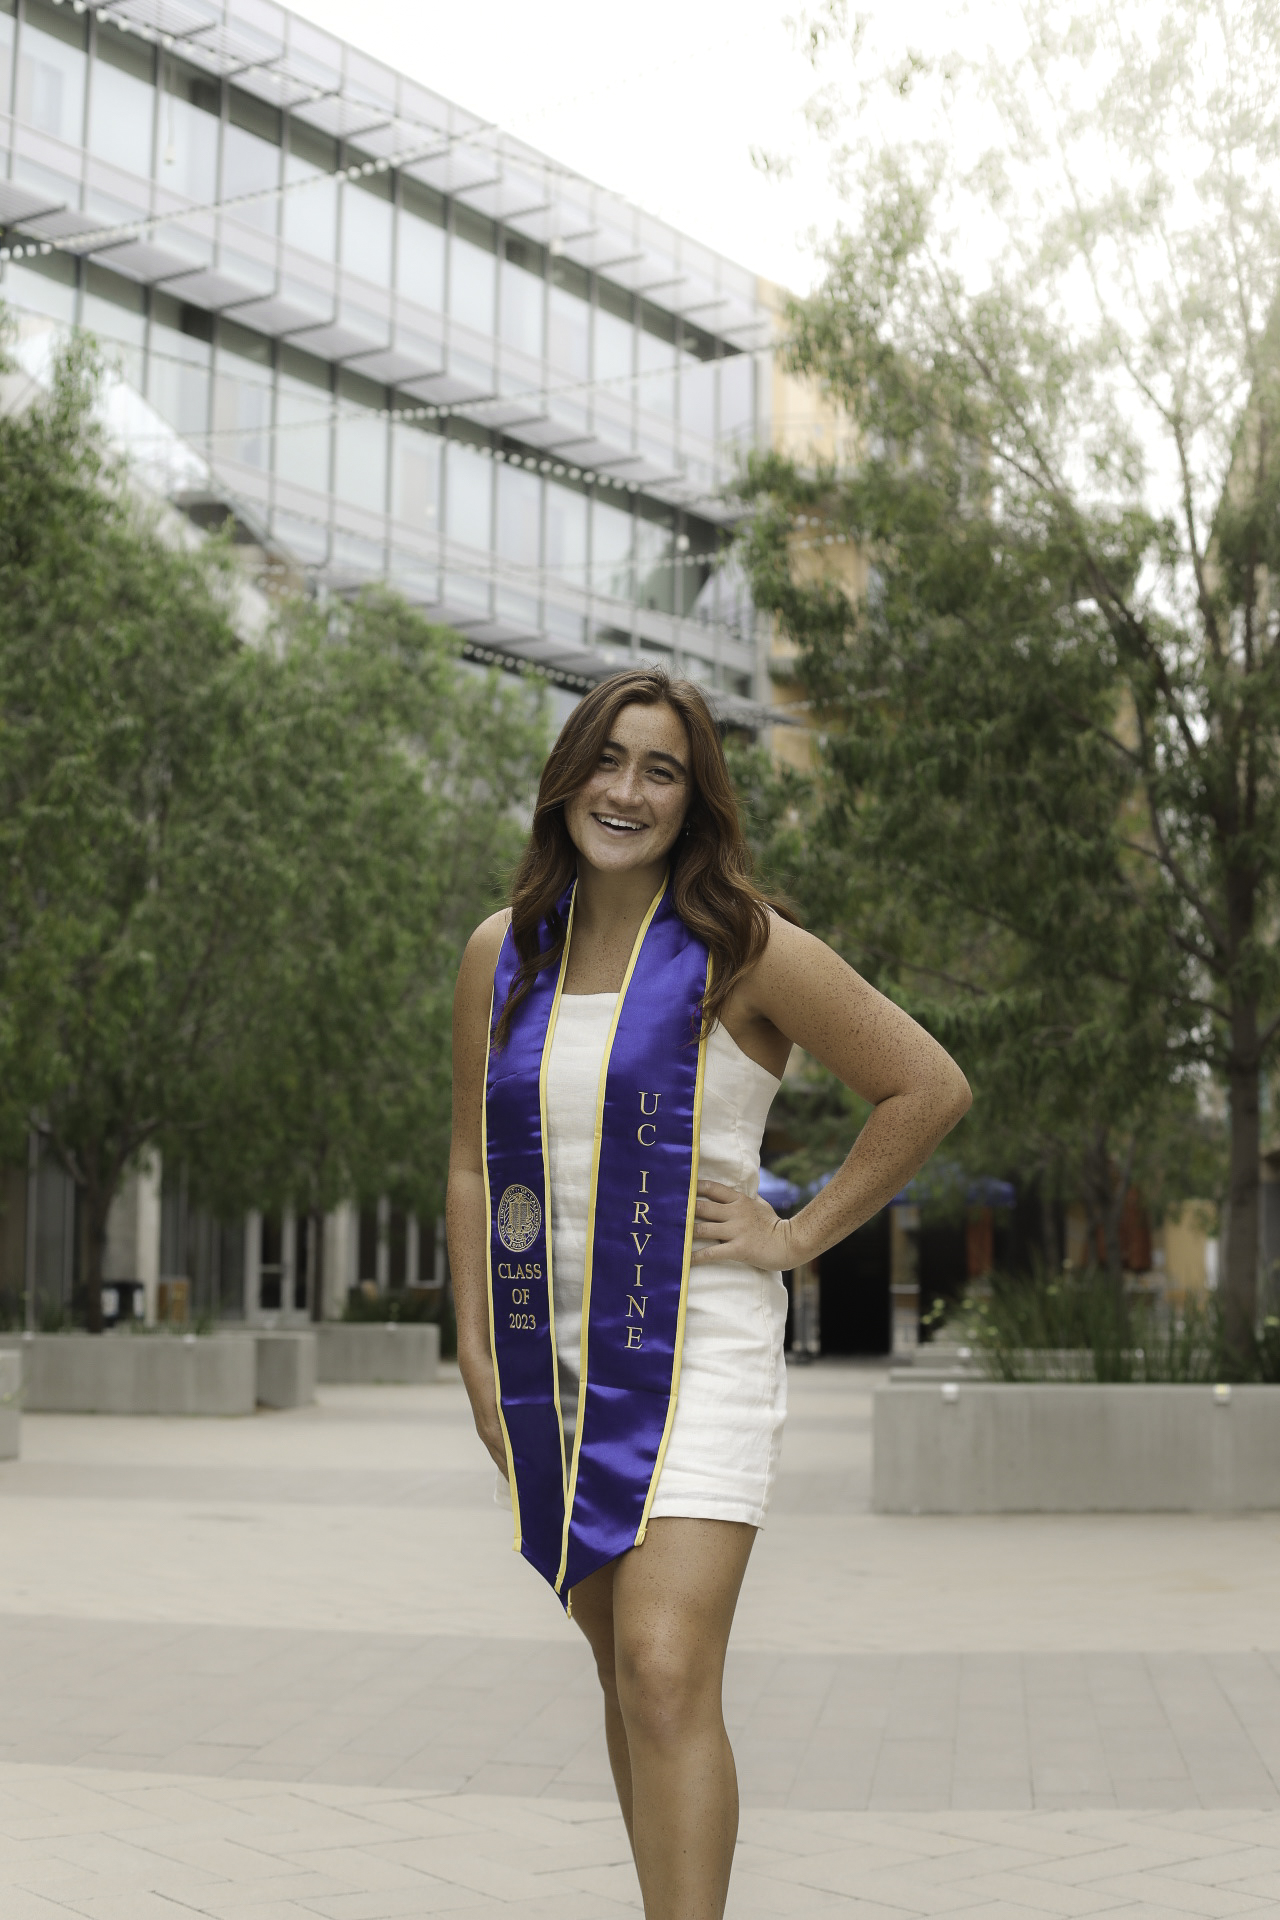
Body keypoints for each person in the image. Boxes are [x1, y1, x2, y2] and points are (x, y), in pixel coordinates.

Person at [448, 668, 971, 1920]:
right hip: (549, 1360)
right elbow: (468, 1161)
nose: (626, 791)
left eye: (660, 769)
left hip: (700, 1354)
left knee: (665, 1665)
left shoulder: (743, 946)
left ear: (694, 798)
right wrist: (474, 1349)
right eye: (608, 761)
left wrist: (798, 1237)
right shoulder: (502, 951)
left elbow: (926, 1087)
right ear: (568, 776)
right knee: (628, 1681)